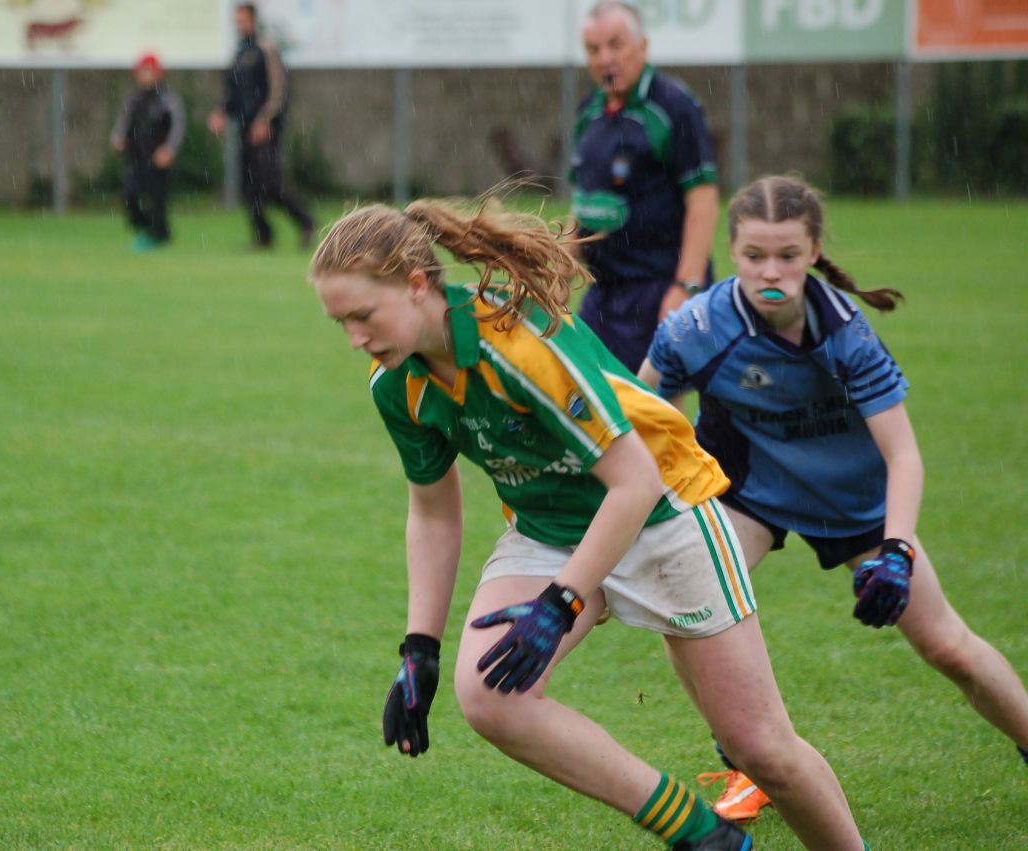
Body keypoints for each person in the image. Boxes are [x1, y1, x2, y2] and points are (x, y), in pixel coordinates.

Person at [309, 196, 870, 850]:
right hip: (552, 531)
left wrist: (560, 601)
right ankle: (700, 834)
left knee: (762, 748)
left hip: (664, 513)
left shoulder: (516, 345)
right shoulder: (395, 384)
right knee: (489, 693)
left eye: (362, 316)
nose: (355, 339)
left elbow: (635, 481)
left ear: (413, 285)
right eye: (340, 323)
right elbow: (433, 511)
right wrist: (419, 647)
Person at [637, 174, 1028, 825]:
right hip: (750, 493)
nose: (772, 270)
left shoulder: (847, 334)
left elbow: (903, 453)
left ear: (814, 250)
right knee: (688, 596)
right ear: (732, 252)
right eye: (755, 255)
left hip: (855, 504)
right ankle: (748, 757)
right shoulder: (696, 326)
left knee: (948, 647)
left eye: (788, 255)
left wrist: (897, 552)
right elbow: (643, 417)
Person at [570, 1, 719, 373]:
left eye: (615, 46)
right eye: (594, 49)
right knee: (587, 397)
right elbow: (583, 201)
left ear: (642, 46)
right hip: (603, 291)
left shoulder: (673, 106)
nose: (605, 59)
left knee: (655, 411)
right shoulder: (588, 111)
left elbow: (702, 198)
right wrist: (558, 266)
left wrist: (686, 287)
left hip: (656, 287)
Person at [208, 2, 315, 250]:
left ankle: (307, 222)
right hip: (245, 130)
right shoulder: (239, 53)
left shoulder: (266, 49)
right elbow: (234, 93)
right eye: (237, 21)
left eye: (243, 20)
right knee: (250, 187)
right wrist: (222, 112)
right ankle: (263, 237)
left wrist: (266, 120)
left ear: (254, 20)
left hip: (265, 130)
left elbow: (279, 89)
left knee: (270, 184)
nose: (239, 25)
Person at [110, 52, 185, 251]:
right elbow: (124, 123)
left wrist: (169, 150)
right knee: (130, 196)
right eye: (142, 71)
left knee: (157, 200)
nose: (145, 75)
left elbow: (177, 126)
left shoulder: (167, 99)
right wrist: (118, 139)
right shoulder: (134, 100)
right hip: (136, 157)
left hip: (158, 159)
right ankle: (148, 230)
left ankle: (158, 235)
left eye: (149, 71)